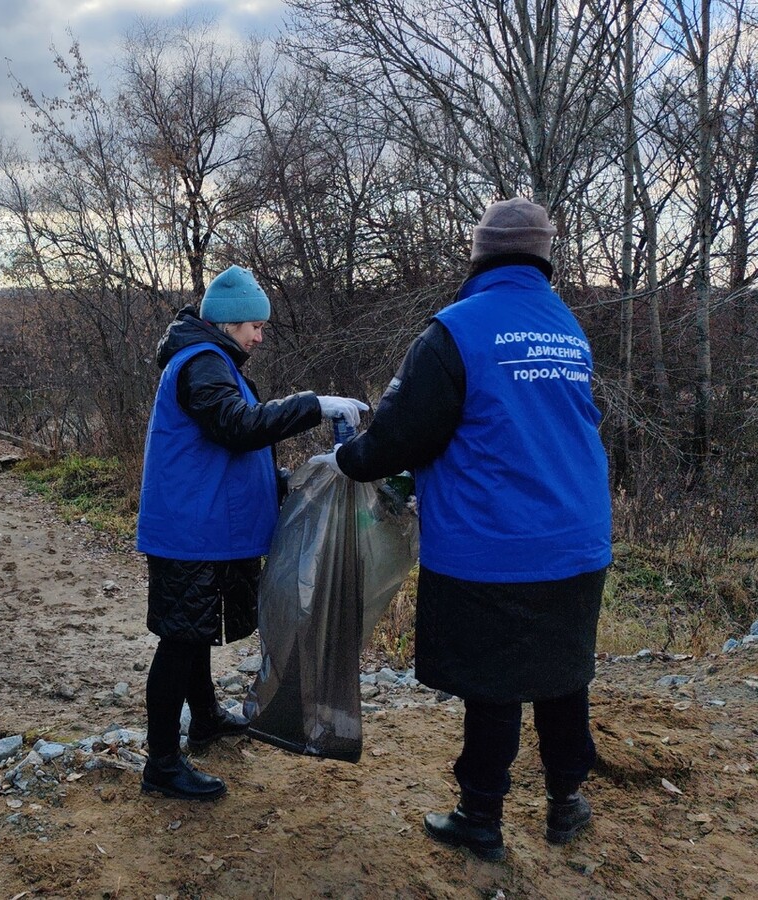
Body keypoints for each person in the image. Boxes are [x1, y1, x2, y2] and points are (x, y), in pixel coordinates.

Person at [312, 198, 612, 859]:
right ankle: (567, 804)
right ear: (544, 260)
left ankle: (481, 821)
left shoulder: (456, 331)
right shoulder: (565, 326)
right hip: (578, 535)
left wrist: (345, 459)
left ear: (478, 257)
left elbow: (397, 438)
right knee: (564, 674)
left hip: (497, 543)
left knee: (493, 685)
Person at [136, 264, 367, 801]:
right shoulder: (202, 364)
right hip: (190, 531)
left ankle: (207, 721)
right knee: (179, 641)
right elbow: (237, 427)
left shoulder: (209, 361)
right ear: (229, 322)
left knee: (194, 633)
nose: (260, 337)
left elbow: (225, 454)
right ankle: (162, 764)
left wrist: (290, 481)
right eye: (254, 327)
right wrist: (313, 405)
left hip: (204, 525)